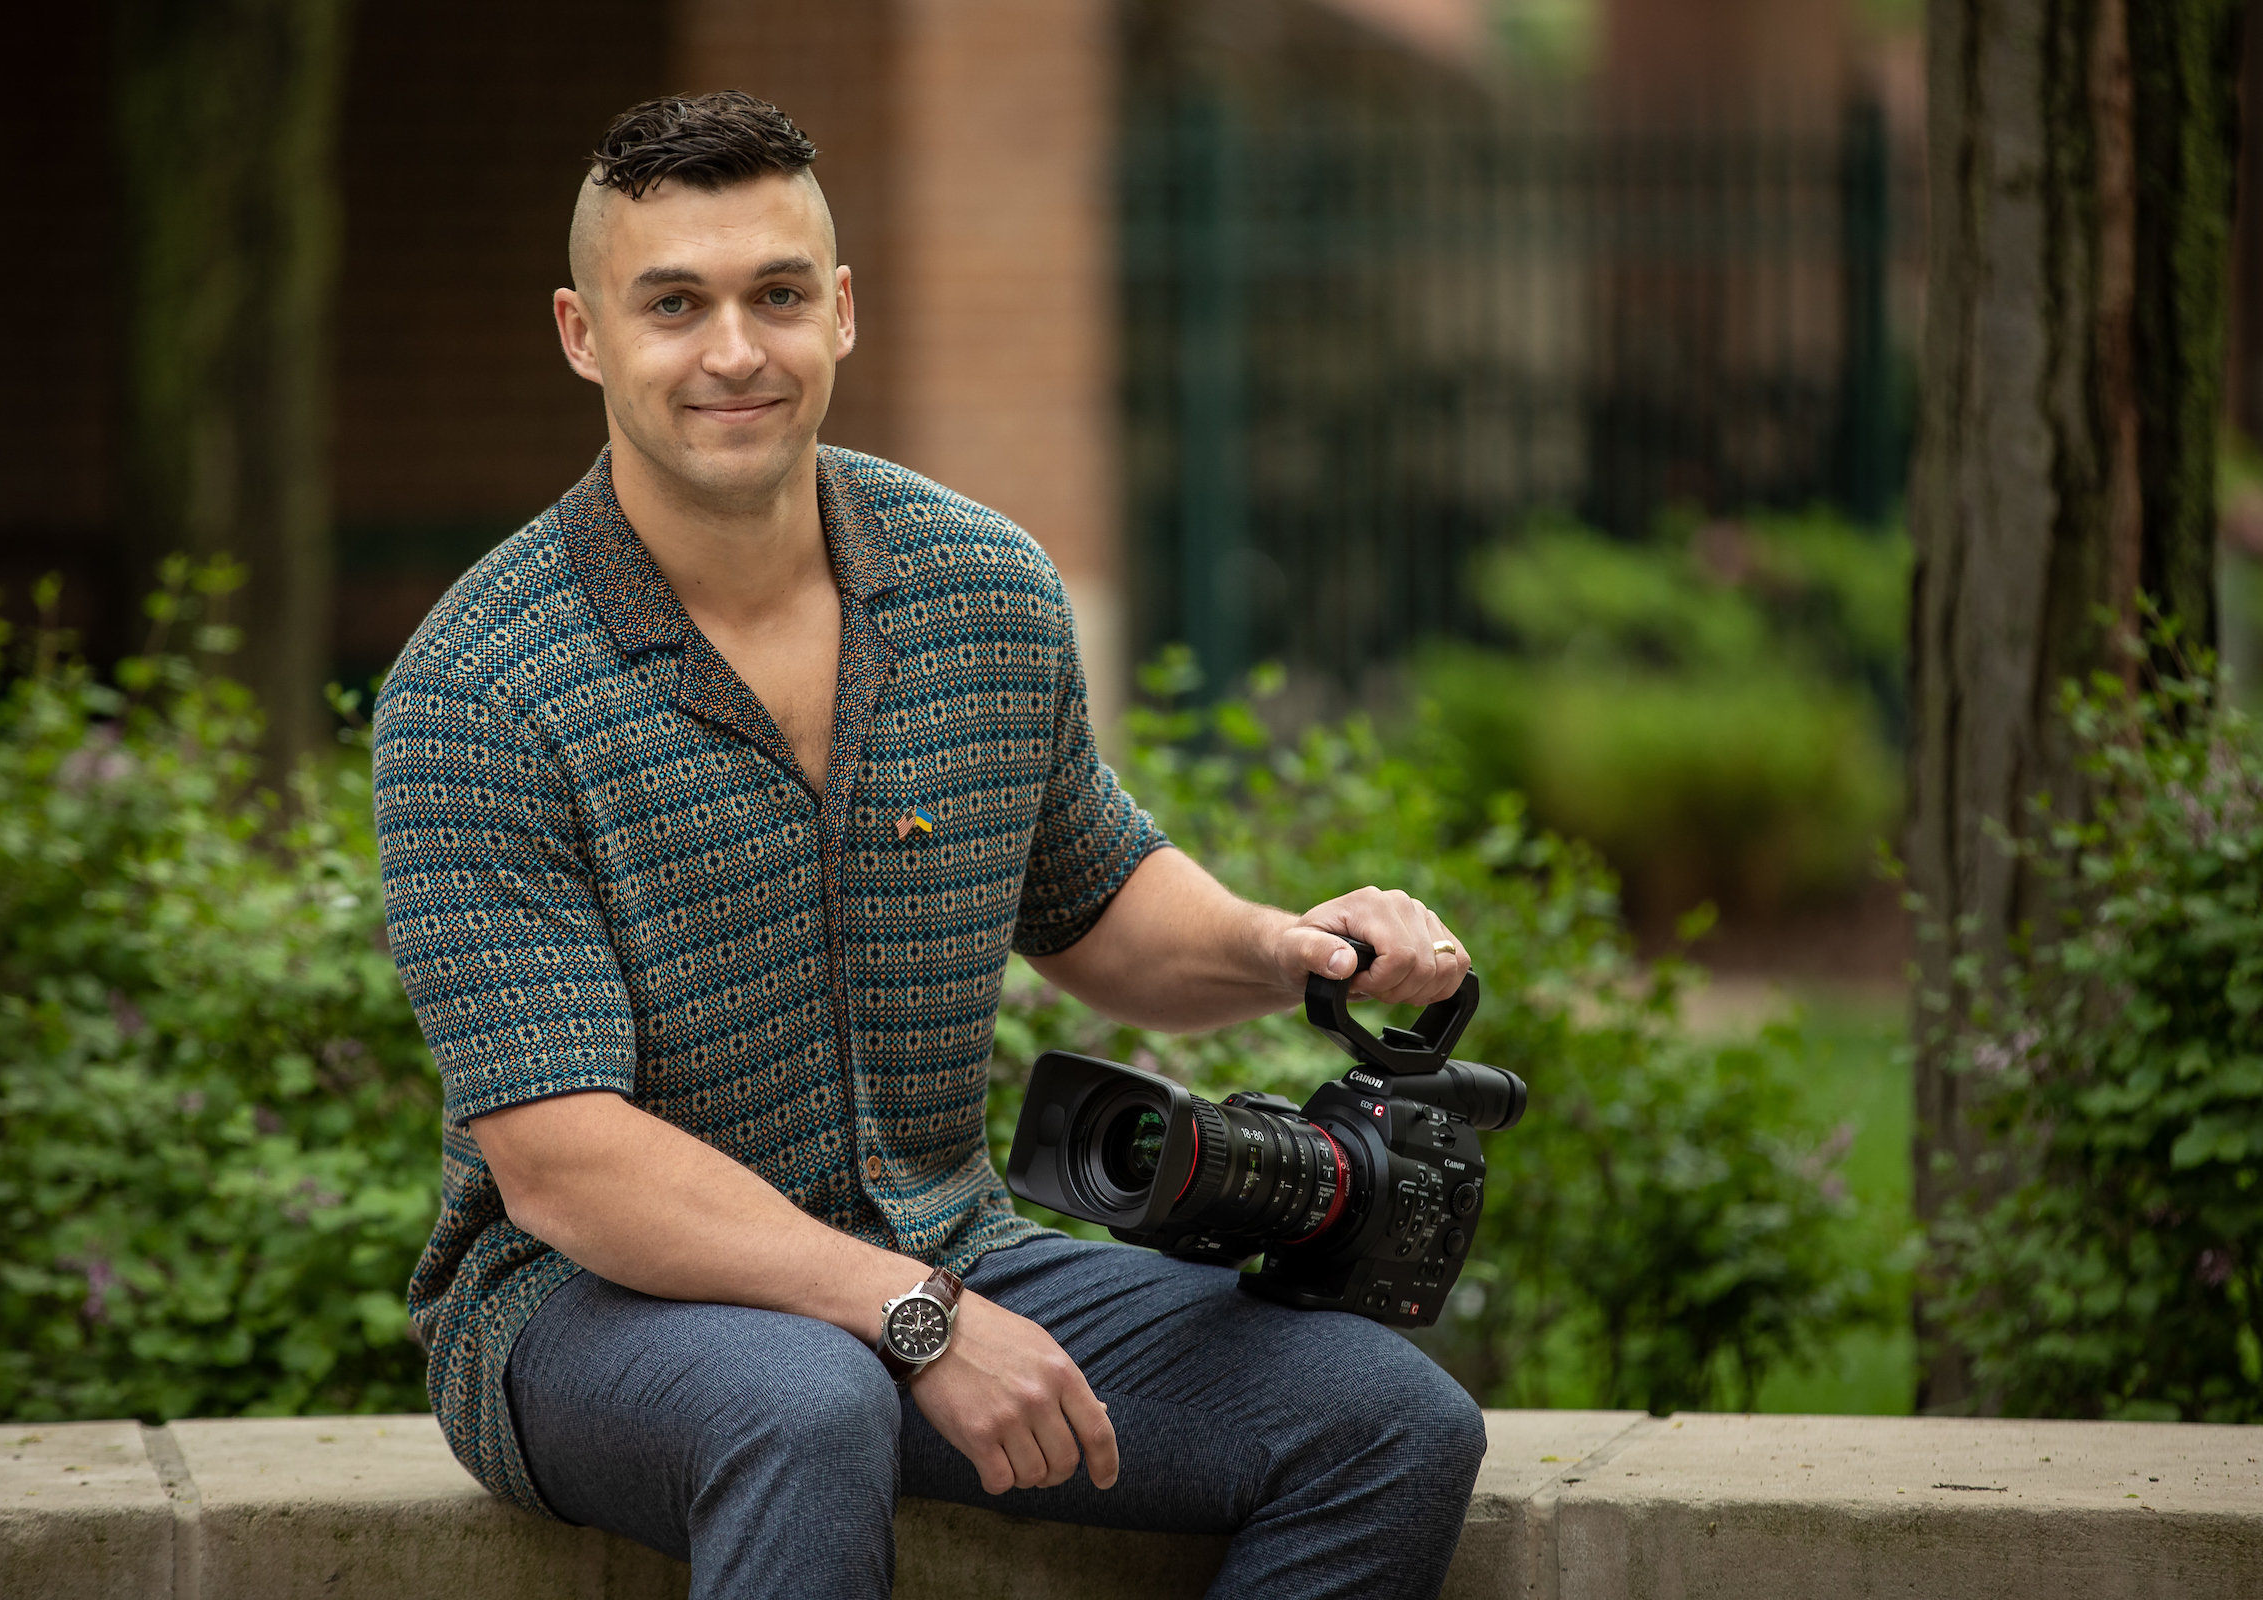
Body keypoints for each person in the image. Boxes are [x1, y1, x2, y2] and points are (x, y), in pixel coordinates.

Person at [372, 90, 1486, 1599]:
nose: (734, 352)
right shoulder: (480, 690)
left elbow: (1099, 907)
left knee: (1389, 1424)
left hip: (947, 1251)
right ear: (585, 335)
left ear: (841, 311)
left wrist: (1287, 947)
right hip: (586, 1312)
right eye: (674, 305)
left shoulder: (981, 589)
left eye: (777, 296)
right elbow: (565, 1166)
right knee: (803, 1401)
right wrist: (914, 1317)